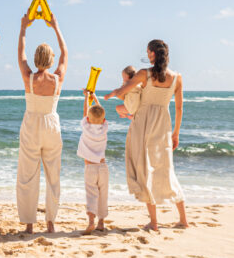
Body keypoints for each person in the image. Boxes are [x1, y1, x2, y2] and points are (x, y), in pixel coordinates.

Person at [105, 39, 188, 231]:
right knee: (166, 169)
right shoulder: (177, 78)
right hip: (163, 124)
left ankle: (154, 221)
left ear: (151, 54)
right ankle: (183, 219)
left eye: (147, 52)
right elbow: (179, 107)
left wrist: (112, 94)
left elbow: (122, 92)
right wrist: (176, 133)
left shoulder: (144, 74)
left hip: (143, 124)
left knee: (145, 168)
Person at [15, 13, 68, 233]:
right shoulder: (57, 78)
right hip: (51, 124)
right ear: (51, 60)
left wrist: (23, 28)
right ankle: (50, 222)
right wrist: (56, 27)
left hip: (31, 124)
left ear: (37, 59)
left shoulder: (28, 76)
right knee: (53, 174)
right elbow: (65, 53)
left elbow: (20, 54)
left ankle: (29, 224)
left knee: (28, 175)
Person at [77, 92, 109, 235]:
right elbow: (101, 112)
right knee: (103, 194)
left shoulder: (86, 127)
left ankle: (91, 221)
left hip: (90, 167)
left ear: (88, 118)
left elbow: (85, 112)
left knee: (91, 194)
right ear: (103, 119)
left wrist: (86, 97)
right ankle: (101, 223)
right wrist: (95, 98)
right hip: (103, 167)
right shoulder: (104, 127)